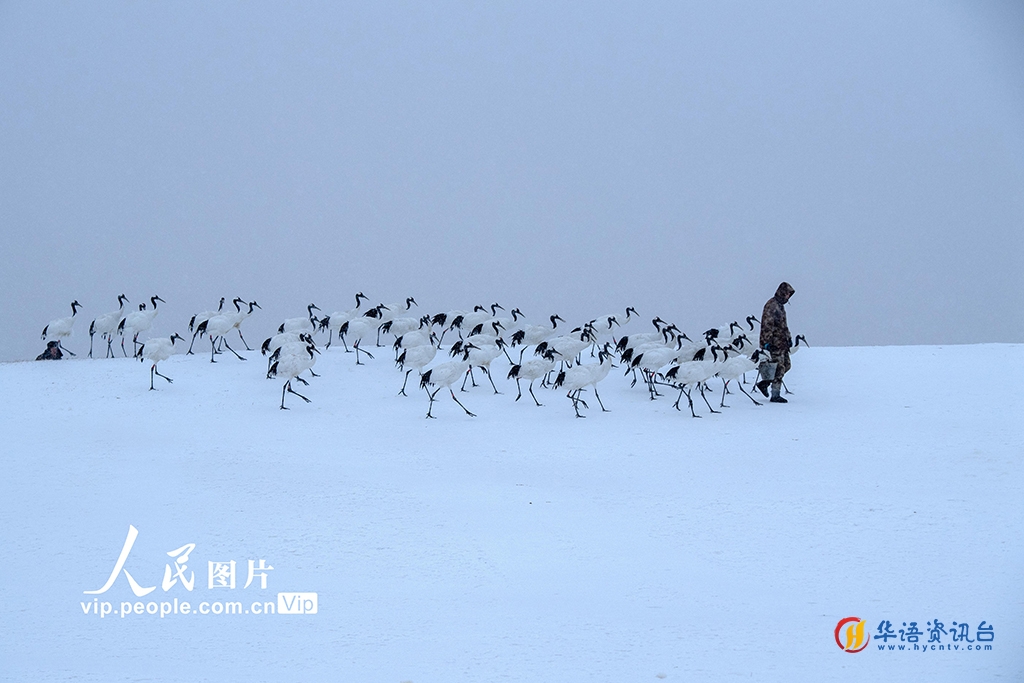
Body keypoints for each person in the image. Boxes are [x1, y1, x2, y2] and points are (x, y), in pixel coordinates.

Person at [757, 282, 795, 403]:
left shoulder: (780, 306)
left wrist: (788, 338)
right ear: (782, 292)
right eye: (787, 293)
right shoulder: (771, 305)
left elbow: (783, 325)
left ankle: (765, 383)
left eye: (790, 294)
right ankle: (775, 394)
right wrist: (766, 342)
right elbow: (767, 325)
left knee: (787, 365)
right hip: (774, 343)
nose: (788, 296)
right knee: (779, 368)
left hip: (782, 342)